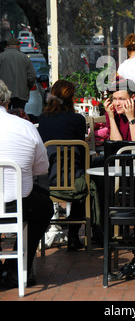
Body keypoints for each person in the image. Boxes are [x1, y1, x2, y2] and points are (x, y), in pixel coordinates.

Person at [0, 80, 53, 288]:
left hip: (17, 203)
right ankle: (15, 268)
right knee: (45, 206)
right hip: (18, 205)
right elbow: (42, 169)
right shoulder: (25, 126)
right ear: (7, 101)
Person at [38, 80, 88, 251]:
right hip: (72, 180)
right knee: (88, 184)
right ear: (72, 98)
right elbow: (81, 150)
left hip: (47, 180)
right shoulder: (78, 120)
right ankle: (74, 233)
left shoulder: (43, 119)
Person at [103, 76, 135, 144]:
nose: (117, 103)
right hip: (120, 152)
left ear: (132, 97)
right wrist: (111, 118)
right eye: (115, 99)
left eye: (122, 99)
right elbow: (116, 144)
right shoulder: (112, 111)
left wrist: (131, 118)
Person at [0, 37, 36, 109]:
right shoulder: (25, 57)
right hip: (21, 93)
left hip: (4, 95)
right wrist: (27, 87)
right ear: (18, 46)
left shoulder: (1, 56)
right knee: (19, 114)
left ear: (7, 46)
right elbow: (32, 76)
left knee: (5, 115)